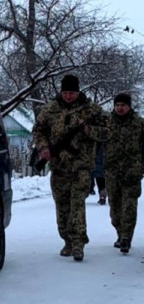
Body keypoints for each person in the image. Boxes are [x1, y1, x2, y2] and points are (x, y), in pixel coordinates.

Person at [32, 73, 109, 261]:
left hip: (81, 166)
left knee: (77, 204)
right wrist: (43, 148)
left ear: (78, 91)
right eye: (65, 92)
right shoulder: (50, 109)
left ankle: (78, 244)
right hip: (58, 166)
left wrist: (87, 130)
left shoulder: (91, 110)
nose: (68, 96)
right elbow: (38, 130)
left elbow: (107, 131)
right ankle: (67, 239)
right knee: (62, 206)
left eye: (71, 93)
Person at [103, 92, 144, 254]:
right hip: (112, 171)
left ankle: (127, 237)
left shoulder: (139, 124)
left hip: (132, 171)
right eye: (117, 105)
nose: (120, 108)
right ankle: (120, 233)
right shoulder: (106, 122)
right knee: (115, 207)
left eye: (123, 105)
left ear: (129, 106)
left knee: (129, 206)